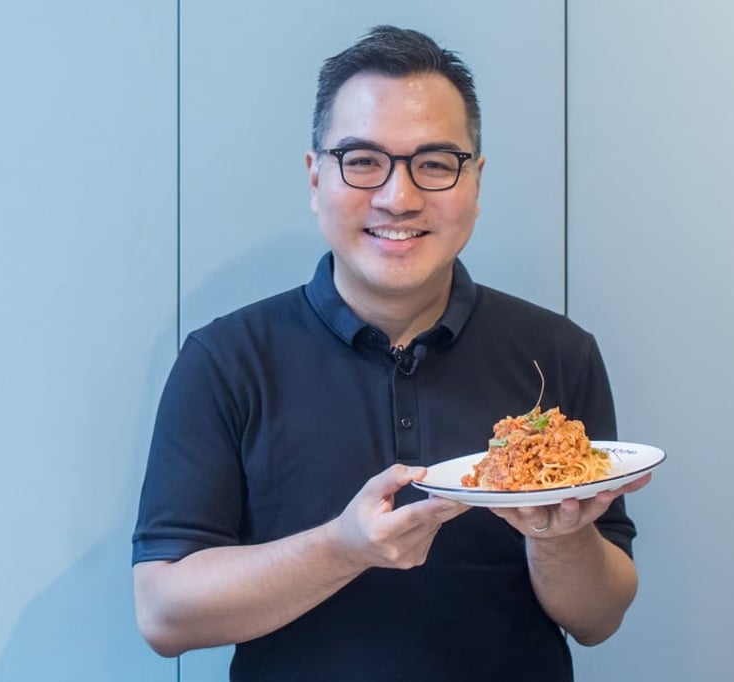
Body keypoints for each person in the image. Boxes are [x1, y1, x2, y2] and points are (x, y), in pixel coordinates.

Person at [132, 24, 650, 682]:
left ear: (475, 181)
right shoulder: (225, 360)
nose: (398, 198)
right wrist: (343, 547)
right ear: (315, 176)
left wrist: (561, 536)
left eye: (434, 163)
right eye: (362, 161)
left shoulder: (557, 353)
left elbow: (598, 619)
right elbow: (163, 615)